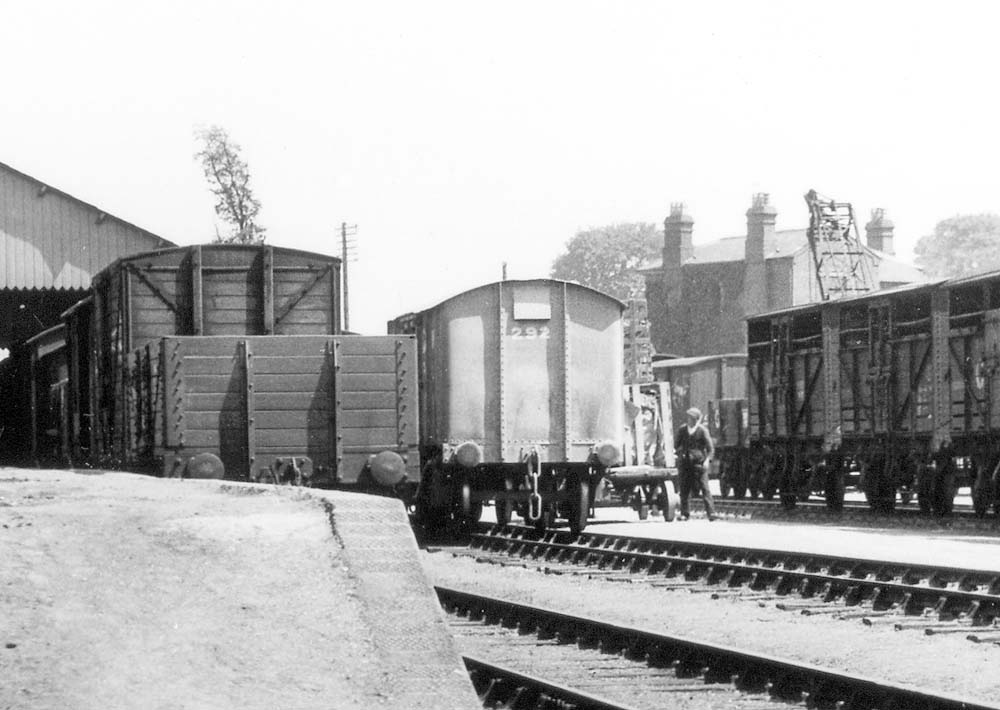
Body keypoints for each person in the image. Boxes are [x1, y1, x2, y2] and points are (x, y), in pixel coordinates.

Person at [674, 407, 717, 521]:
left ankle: (711, 513)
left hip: (699, 464)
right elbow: (676, 445)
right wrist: (678, 454)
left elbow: (710, 449)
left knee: (705, 488)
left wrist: (708, 460)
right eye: (688, 417)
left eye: (692, 418)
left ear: (697, 419)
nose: (689, 420)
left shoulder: (702, 431)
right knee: (684, 489)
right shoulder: (682, 430)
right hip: (685, 463)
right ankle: (685, 513)